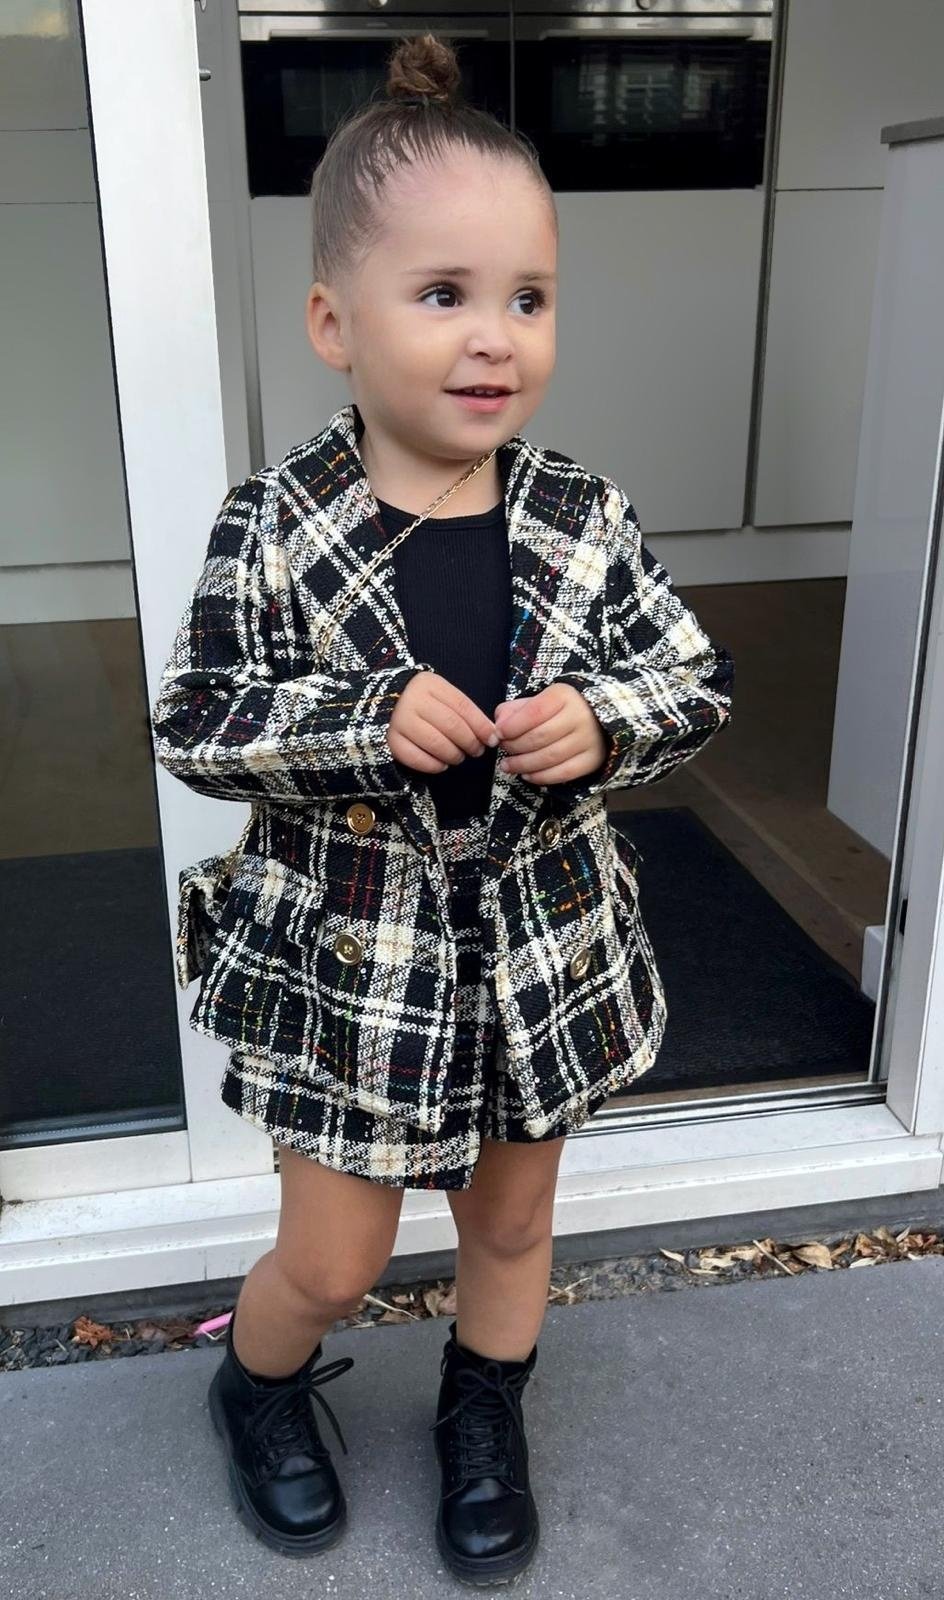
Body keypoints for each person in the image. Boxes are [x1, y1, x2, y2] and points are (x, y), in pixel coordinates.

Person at [149, 31, 734, 1585]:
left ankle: (485, 1408)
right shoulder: (279, 525)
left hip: (538, 952)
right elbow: (196, 718)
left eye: (529, 299)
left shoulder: (582, 516)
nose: (495, 339)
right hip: (354, 966)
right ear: (333, 324)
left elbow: (694, 675)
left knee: (512, 1227)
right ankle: (256, 1382)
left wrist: (605, 723)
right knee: (335, 1256)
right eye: (445, 295)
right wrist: (359, 723)